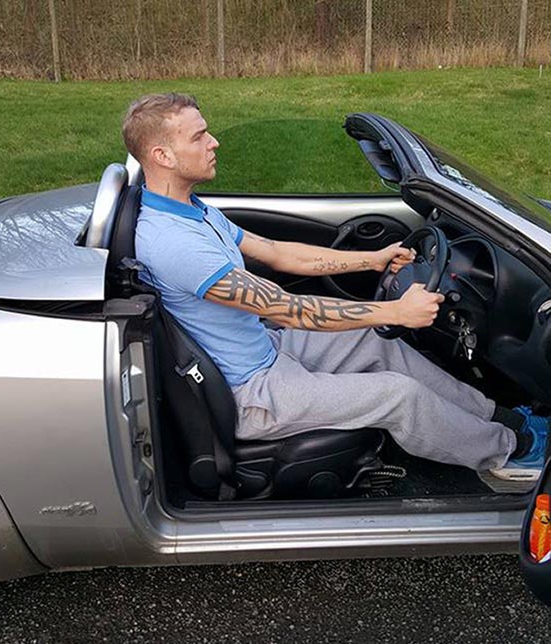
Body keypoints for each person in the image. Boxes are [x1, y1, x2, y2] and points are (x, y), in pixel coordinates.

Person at [122, 92, 549, 481]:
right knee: (397, 395)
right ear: (163, 155)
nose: (214, 142)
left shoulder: (192, 212)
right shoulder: (173, 243)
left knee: (375, 342)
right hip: (251, 394)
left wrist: (373, 258)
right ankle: (510, 453)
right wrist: (395, 311)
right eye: (199, 137)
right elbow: (287, 309)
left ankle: (502, 418)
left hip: (268, 349)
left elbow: (278, 252)